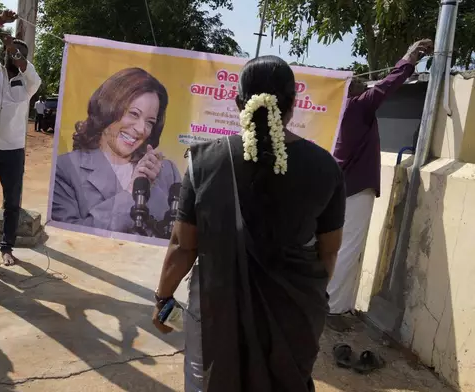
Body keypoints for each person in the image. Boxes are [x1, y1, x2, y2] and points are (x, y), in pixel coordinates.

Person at [152, 55, 346, 391]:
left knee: (209, 381)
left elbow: (183, 246)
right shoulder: (326, 167)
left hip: (217, 309)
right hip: (295, 315)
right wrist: (301, 296)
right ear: (293, 105)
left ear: (239, 102)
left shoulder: (204, 162)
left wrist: (162, 299)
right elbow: (328, 254)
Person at [327, 38, 433, 331]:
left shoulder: (337, 113)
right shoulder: (358, 107)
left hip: (336, 187)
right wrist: (408, 58)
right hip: (355, 188)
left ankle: (338, 305)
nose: (363, 82)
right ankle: (333, 310)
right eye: (355, 80)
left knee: (336, 248)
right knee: (348, 248)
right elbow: (388, 85)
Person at [52, 68, 181, 236]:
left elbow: (179, 237)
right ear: (107, 109)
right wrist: (131, 194)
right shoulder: (66, 169)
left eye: (150, 122)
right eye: (134, 114)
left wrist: (153, 186)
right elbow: (68, 238)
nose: (142, 129)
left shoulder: (167, 171)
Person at [0, 10, 42, 266]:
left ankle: (7, 247)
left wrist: (12, 47)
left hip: (13, 150)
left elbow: (25, 67)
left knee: (12, 202)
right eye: (10, 52)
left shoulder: (29, 82)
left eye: (19, 54)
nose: (14, 56)